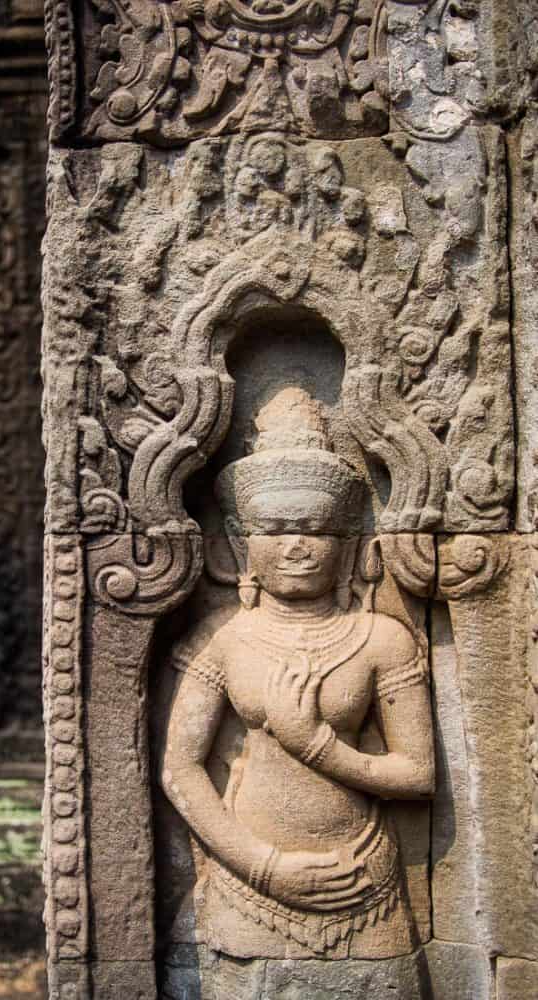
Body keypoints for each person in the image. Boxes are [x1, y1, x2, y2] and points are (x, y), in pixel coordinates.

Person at [160, 388, 435, 960]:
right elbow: (181, 770)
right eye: (276, 528)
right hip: (249, 887)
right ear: (240, 545)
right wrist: (264, 868)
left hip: (364, 883)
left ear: (348, 544)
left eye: (314, 528)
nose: (296, 547)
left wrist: (316, 746)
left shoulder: (380, 638)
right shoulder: (225, 639)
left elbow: (418, 773)